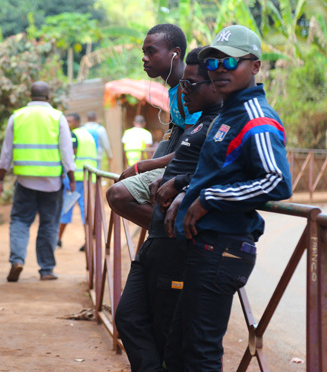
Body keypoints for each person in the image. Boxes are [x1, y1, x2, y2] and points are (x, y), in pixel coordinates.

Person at [164, 25, 292, 371]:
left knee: (200, 354)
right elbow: (220, 171)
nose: (219, 69)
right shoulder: (228, 113)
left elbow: (276, 181)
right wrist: (188, 192)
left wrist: (209, 199)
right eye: (213, 62)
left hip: (223, 248)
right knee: (179, 348)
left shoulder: (256, 118)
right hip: (205, 245)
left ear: (255, 66)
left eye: (231, 61)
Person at [114, 47, 223, 372]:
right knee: (129, 316)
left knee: (178, 338)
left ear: (214, 85)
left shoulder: (223, 124)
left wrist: (179, 184)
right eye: (183, 85)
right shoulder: (200, 123)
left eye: (191, 85)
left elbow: (229, 175)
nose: (182, 91)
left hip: (181, 246)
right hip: (157, 242)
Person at [106, 24, 202, 229]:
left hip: (189, 170)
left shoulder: (191, 90)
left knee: (117, 194)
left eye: (151, 51)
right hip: (177, 167)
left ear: (175, 54)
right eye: (144, 52)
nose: (144, 58)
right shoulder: (174, 90)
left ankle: (173, 233)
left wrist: (141, 166)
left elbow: (189, 151)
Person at [0, 81, 76, 282]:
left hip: (24, 180)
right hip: (52, 182)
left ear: (30, 96)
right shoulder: (57, 117)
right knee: (49, 224)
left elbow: (6, 153)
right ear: (48, 98)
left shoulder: (17, 116)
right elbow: (66, 152)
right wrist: (71, 178)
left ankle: (17, 260)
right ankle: (46, 269)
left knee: (20, 221)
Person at [57, 113, 97, 249]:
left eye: (70, 121)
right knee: (85, 210)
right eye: (66, 121)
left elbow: (70, 155)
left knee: (66, 208)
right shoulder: (88, 136)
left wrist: (64, 173)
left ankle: (57, 239)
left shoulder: (73, 135)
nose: (67, 124)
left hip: (74, 179)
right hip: (88, 177)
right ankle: (89, 241)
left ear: (78, 122)